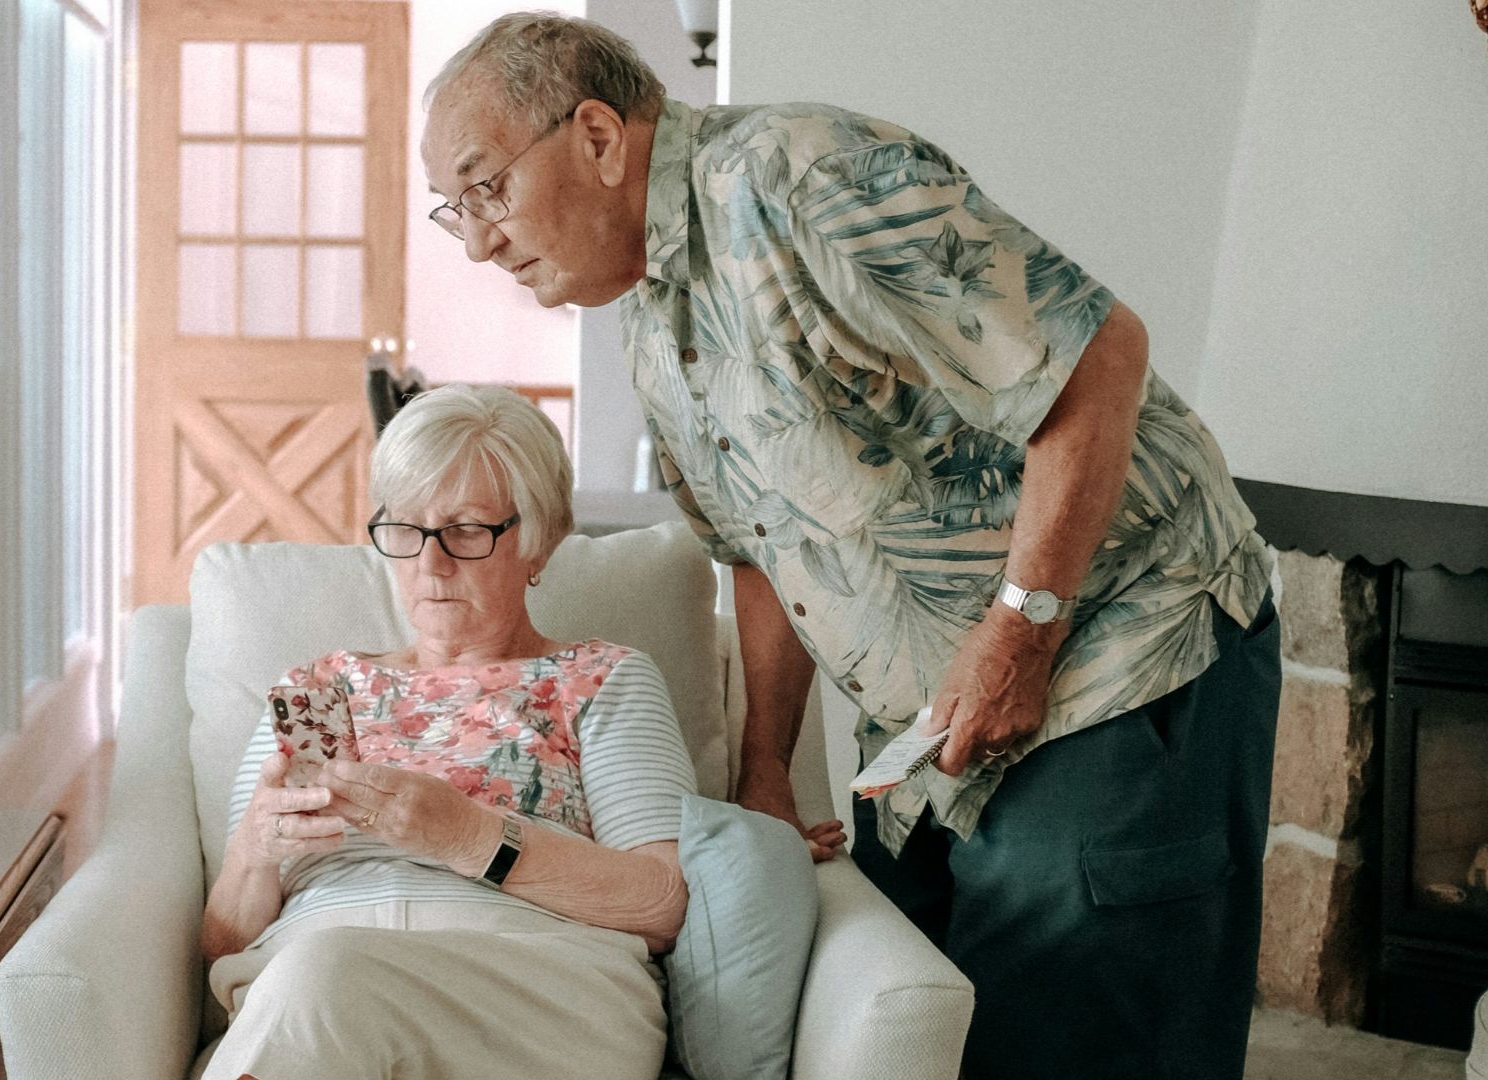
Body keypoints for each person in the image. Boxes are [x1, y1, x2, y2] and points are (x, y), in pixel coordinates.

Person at [420, 14, 1281, 1080]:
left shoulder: (803, 179)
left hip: (1117, 661)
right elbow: (757, 551)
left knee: (1100, 1040)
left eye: (486, 188)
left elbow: (1099, 357)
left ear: (597, 136)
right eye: (454, 211)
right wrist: (768, 768)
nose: (476, 240)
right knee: (952, 1038)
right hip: (930, 735)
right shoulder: (648, 313)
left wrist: (1023, 626)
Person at [200, 383, 699, 1080]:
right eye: (404, 529)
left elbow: (661, 903)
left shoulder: (600, 678)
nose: (429, 564)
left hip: (535, 990)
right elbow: (223, 941)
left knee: (324, 974)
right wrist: (254, 851)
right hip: (313, 981)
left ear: (538, 541)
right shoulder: (317, 691)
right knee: (317, 973)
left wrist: (466, 836)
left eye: (465, 531)